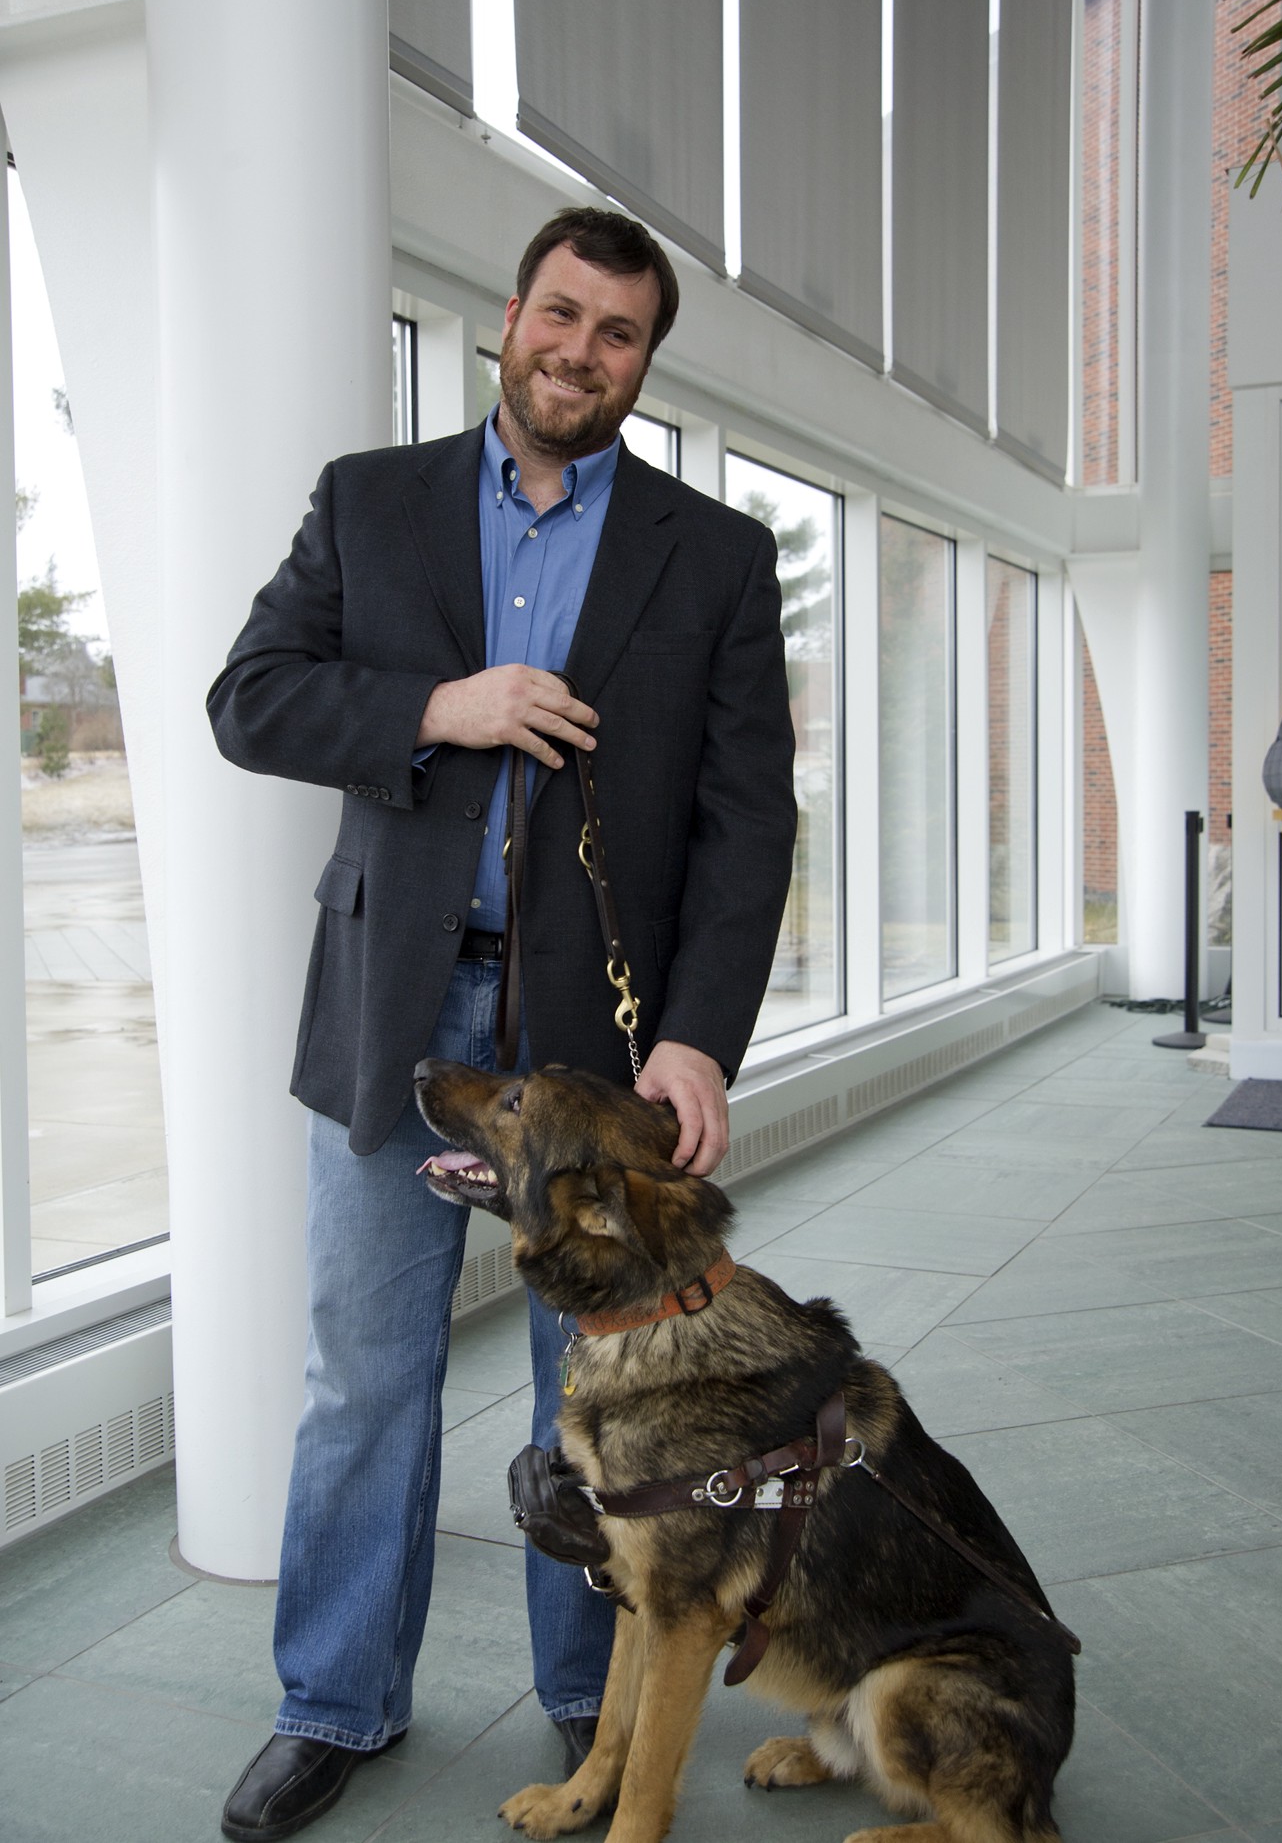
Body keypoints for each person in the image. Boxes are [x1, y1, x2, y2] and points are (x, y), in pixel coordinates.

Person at [208, 206, 797, 1841]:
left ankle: (583, 1711)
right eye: (559, 315)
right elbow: (248, 699)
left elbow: (750, 823)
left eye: (617, 334)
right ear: (507, 317)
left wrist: (699, 1039)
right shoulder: (368, 502)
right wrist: (430, 710)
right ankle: (333, 1701)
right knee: (363, 1381)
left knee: (599, 1403)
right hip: (400, 1017)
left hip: (599, 1061)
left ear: (644, 363)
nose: (579, 352)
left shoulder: (716, 554)